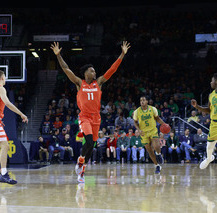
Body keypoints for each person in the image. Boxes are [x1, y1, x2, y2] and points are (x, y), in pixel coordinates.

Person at [51, 40, 130, 183]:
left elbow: (112, 70)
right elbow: (66, 69)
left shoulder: (98, 82)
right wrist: (58, 55)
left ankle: (82, 170)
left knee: (91, 145)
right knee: (87, 141)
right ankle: (80, 161)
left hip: (96, 117)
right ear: (86, 72)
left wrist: (122, 54)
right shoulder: (79, 83)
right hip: (85, 117)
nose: (94, 72)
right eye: (92, 70)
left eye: (94, 70)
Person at [133, 96, 170, 174]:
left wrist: (164, 124)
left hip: (152, 130)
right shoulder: (137, 111)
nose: (142, 102)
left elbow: (157, 118)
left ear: (147, 101)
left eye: (143, 100)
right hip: (143, 133)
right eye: (140, 100)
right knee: (149, 150)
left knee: (156, 146)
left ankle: (158, 154)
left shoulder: (153, 109)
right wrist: (138, 130)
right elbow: (135, 122)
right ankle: (157, 166)